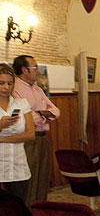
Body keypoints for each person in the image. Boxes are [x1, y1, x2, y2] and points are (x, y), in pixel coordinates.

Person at [12, 55, 60, 205]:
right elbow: (23, 116)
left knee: (42, 178)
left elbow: (56, 111)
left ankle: (40, 214)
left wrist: (39, 114)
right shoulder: (15, 89)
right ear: (24, 70)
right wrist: (42, 114)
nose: (38, 71)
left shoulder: (38, 90)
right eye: (34, 68)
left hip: (42, 138)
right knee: (29, 180)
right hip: (27, 140)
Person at [0, 63, 35, 204]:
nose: (6, 87)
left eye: (9, 83)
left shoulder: (21, 104)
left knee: (19, 210)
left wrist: (2, 139)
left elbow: (30, 134)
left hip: (18, 166)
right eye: (1, 83)